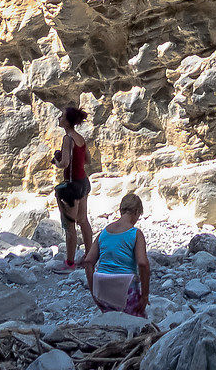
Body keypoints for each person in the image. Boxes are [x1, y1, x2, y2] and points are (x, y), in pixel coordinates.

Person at [84, 192, 150, 314]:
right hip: (125, 287)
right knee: (137, 325)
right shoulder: (135, 233)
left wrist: (94, 291)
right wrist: (145, 295)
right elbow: (142, 263)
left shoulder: (103, 232)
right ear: (136, 211)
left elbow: (88, 262)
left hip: (101, 287)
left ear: (121, 210)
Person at [52, 105, 93, 268]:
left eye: (61, 116)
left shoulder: (67, 139)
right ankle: (89, 256)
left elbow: (64, 163)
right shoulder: (80, 138)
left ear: (67, 122)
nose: (59, 118)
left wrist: (57, 161)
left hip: (71, 186)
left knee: (70, 226)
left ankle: (69, 263)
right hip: (84, 182)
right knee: (83, 220)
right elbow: (88, 160)